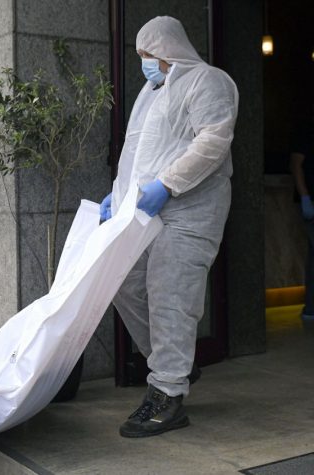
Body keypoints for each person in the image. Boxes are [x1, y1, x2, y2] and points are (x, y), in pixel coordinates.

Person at [99, 16, 239, 438]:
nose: (144, 62)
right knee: (121, 281)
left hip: (193, 208)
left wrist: (168, 183)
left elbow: (213, 140)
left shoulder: (208, 81)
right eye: (140, 55)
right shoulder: (150, 93)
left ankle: (167, 395)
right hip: (146, 209)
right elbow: (136, 152)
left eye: (149, 54)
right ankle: (174, 362)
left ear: (170, 47)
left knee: (170, 292)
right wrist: (118, 193)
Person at [290, 134, 314, 322]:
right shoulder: (306, 133)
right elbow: (296, 165)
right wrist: (305, 197)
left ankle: (311, 308)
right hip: (310, 201)